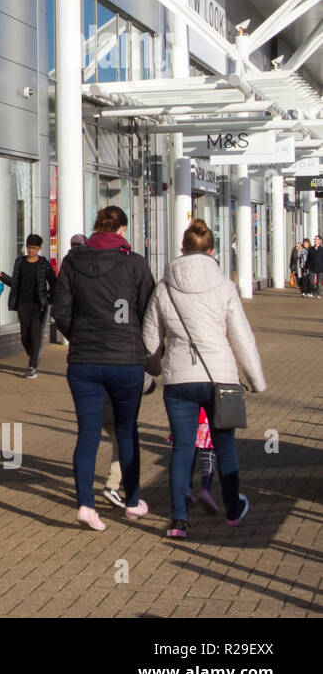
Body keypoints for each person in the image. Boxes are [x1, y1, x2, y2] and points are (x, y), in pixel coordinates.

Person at [143, 219, 265, 539]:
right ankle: (233, 510)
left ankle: (179, 520)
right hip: (220, 378)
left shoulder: (164, 286)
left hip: (179, 379)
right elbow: (241, 337)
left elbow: (149, 337)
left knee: (182, 449)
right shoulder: (225, 286)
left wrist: (153, 369)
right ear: (212, 251)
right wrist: (254, 378)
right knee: (225, 447)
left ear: (182, 249)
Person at [52, 206, 155, 531]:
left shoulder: (72, 262)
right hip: (126, 361)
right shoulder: (135, 263)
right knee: (126, 431)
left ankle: (85, 504)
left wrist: (78, 337)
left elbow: (61, 310)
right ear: (122, 230)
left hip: (84, 362)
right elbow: (148, 312)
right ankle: (133, 500)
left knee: (88, 434)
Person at [0, 233, 54, 379]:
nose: (31, 251)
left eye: (34, 248)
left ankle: (32, 366)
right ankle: (33, 354)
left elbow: (54, 281)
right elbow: (15, 283)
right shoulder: (20, 262)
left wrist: (49, 297)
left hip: (39, 305)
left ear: (39, 248)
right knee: (25, 336)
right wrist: (1, 275)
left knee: (35, 335)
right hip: (22, 304)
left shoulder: (43, 264)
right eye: (29, 247)